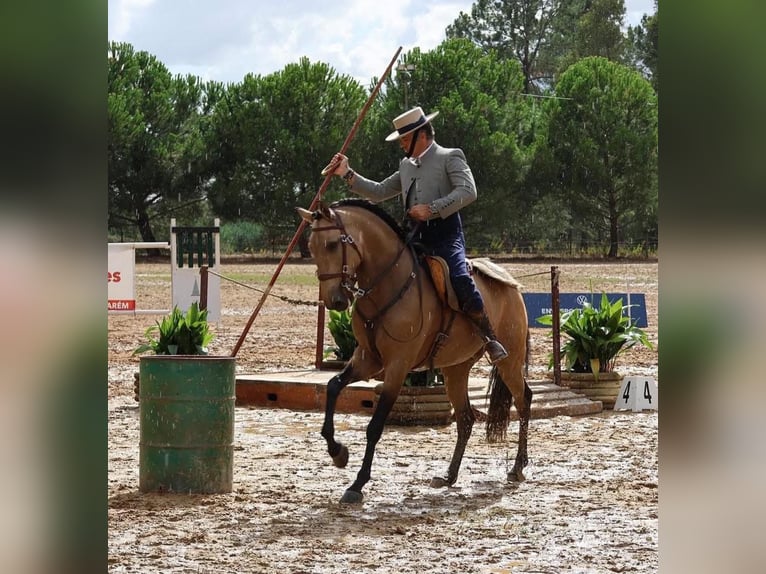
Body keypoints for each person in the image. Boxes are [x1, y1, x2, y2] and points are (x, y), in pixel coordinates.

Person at [327, 106, 508, 364]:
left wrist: (432, 209)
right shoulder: (406, 166)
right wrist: (347, 173)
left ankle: (489, 338)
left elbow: (468, 191)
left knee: (460, 278)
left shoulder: (451, 156)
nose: (401, 144)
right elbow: (378, 192)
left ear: (421, 135)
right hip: (414, 237)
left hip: (446, 237)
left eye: (404, 138)